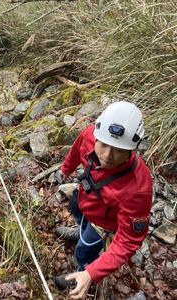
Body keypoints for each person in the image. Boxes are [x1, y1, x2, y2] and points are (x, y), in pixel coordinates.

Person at [53, 101, 152, 299]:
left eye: (117, 149)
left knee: (83, 250)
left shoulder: (138, 189)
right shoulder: (91, 134)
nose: (107, 155)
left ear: (132, 149)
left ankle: (80, 273)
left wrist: (92, 273)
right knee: (75, 208)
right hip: (85, 198)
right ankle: (80, 231)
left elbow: (128, 241)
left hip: (103, 222)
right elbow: (76, 150)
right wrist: (64, 170)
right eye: (104, 145)